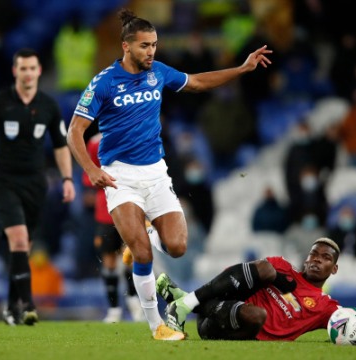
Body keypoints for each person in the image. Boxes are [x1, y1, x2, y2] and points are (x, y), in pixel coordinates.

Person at [66, 9, 273, 341]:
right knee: (144, 254)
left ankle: (143, 235)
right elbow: (75, 131)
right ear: (126, 46)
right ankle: (156, 325)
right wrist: (91, 170)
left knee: (177, 246)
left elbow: (198, 81)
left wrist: (243, 68)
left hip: (157, 174)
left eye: (155, 45)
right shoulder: (104, 82)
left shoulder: (158, 72)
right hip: (121, 177)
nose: (151, 52)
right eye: (145, 45)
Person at [0, 48, 76, 326]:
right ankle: (27, 304)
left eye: (32, 68)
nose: (27, 73)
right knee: (17, 238)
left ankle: (11, 308)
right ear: (15, 71)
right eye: (22, 68)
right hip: (4, 182)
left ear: (39, 71)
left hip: (35, 184)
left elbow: (62, 145)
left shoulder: (49, 106)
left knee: (23, 247)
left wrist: (67, 179)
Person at [156, 237, 356, 342]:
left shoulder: (326, 307)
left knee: (257, 316)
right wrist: (273, 280)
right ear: (306, 258)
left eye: (325, 257)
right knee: (265, 270)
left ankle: (185, 301)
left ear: (334, 269)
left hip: (232, 330)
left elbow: (349, 324)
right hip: (220, 312)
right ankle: (188, 303)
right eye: (313, 253)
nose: (316, 259)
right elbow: (235, 273)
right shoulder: (283, 267)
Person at [83, 133, 144, 323]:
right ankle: (114, 309)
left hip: (129, 208)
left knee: (131, 257)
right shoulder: (94, 143)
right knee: (109, 260)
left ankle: (134, 303)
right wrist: (100, 179)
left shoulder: (131, 135)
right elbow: (88, 175)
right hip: (105, 211)